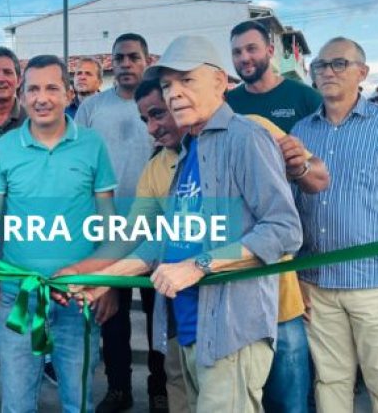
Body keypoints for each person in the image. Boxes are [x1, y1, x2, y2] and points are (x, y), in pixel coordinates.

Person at [78, 35, 303, 413]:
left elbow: (284, 230)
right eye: (167, 85)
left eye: (187, 80)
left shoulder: (246, 137)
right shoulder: (187, 152)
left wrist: (197, 266)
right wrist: (105, 278)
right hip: (187, 326)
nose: (174, 94)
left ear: (220, 82)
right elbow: (163, 242)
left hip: (231, 330)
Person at [0, 54, 119, 413]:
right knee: (17, 403)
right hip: (20, 294)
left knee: (78, 401)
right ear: (22, 93)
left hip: (78, 297)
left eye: (52, 88)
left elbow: (109, 219)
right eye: (33, 88)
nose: (41, 97)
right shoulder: (3, 148)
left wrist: (109, 281)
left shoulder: (93, 144)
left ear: (68, 93)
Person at [293, 37, 378, 412]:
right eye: (320, 65)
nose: (327, 72)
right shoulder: (300, 132)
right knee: (330, 384)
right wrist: (294, 275)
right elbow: (290, 208)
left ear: (362, 73)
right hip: (317, 284)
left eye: (339, 63)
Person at [226, 20, 330, 413]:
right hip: (252, 238)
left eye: (251, 49)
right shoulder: (231, 105)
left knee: (299, 347)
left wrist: (297, 168)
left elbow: (320, 169)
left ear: (271, 50)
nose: (244, 58)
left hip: (303, 233)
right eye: (237, 52)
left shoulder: (303, 97)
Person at [75, 33, 161, 413]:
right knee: (111, 315)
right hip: (106, 228)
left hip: (157, 227)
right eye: (119, 58)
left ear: (145, 60)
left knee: (160, 312)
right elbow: (76, 165)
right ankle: (119, 388)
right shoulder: (91, 108)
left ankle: (160, 389)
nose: (126, 64)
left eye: (133, 57)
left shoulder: (159, 105)